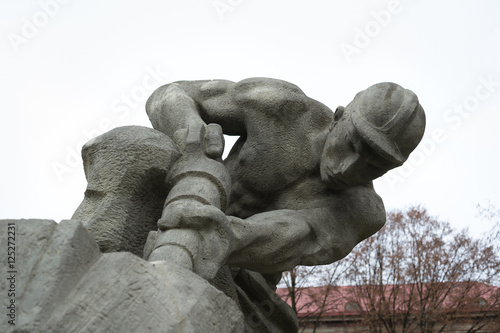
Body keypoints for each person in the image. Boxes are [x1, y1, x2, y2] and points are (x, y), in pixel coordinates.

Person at [143, 78, 425, 332]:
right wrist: (188, 128)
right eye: (352, 144)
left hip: (240, 278)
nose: (348, 169)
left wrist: (225, 236)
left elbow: (295, 234)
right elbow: (170, 94)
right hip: (173, 206)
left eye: (374, 166)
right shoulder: (281, 108)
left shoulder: (363, 211)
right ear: (339, 117)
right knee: (129, 144)